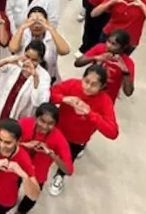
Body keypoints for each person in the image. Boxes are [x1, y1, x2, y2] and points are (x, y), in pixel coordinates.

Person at [47, 65, 119, 196]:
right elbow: (48, 94)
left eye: (94, 85)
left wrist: (90, 113)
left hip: (77, 139)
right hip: (58, 130)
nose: (88, 87)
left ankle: (59, 176)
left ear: (102, 86)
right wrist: (63, 99)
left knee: (68, 159)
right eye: (86, 81)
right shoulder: (72, 85)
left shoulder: (104, 101)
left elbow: (113, 132)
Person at [0, 42, 51, 135]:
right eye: (27, 56)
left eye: (34, 60)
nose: (28, 62)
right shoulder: (14, 63)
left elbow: (39, 102)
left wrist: (35, 78)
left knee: (6, 141)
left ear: (40, 60)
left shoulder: (43, 76)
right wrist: (5, 61)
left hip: (17, 118)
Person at [15, 104, 73, 214]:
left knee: (31, 197)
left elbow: (68, 170)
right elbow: (2, 142)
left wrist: (52, 154)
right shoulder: (23, 123)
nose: (45, 126)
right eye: (42, 121)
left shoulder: (59, 139)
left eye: (50, 123)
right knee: (10, 189)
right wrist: (24, 144)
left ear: (56, 124)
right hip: (17, 165)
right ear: (35, 118)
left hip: (38, 174)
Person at [8, 7, 70, 83]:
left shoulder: (53, 35)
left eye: (40, 22)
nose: (36, 26)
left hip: (49, 78)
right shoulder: (23, 34)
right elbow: (13, 49)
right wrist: (22, 27)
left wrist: (50, 28)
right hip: (25, 78)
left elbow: (65, 51)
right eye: (33, 21)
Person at [74, 29, 134, 105]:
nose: (108, 45)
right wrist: (94, 58)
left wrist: (125, 72)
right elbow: (77, 63)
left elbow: (128, 92)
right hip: (87, 91)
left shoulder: (128, 63)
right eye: (108, 41)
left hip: (105, 100)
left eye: (114, 44)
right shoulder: (100, 48)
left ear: (123, 47)